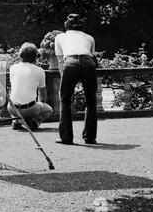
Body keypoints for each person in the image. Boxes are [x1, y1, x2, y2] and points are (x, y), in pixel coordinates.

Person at [55, 14, 98, 145]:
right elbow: (92, 57)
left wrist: (65, 79)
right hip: (88, 63)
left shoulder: (60, 37)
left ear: (66, 26)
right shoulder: (89, 38)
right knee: (91, 101)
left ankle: (66, 138)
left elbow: (60, 61)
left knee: (65, 100)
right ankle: (90, 137)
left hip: (70, 62)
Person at [8, 43, 53, 131]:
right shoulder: (40, 71)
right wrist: (37, 109)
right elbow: (42, 97)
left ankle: (16, 122)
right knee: (49, 110)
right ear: (35, 56)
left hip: (12, 108)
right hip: (30, 109)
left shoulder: (13, 68)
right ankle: (34, 122)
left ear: (21, 54)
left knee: (15, 98)